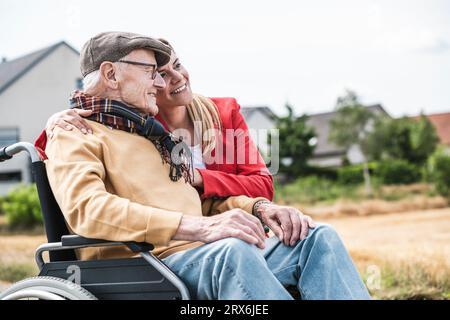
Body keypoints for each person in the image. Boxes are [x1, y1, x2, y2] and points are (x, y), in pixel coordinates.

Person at [45, 31, 370, 300]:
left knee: (315, 238)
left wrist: (258, 207)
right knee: (232, 252)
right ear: (111, 74)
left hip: (200, 253)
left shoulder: (148, 131)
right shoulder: (75, 132)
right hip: (143, 264)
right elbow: (87, 209)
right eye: (149, 70)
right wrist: (198, 227)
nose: (158, 81)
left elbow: (197, 201)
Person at [36, 40, 274, 201]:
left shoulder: (223, 112)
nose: (178, 77)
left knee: (311, 236)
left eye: (178, 65)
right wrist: (54, 122)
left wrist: (201, 178)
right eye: (160, 74)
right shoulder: (140, 125)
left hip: (239, 228)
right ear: (148, 81)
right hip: (192, 242)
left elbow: (263, 187)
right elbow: (49, 152)